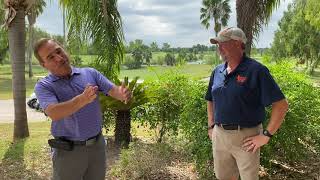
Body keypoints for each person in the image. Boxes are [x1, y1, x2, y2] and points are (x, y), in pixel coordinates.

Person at [34, 38, 131, 180]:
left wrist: (122, 94)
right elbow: (54, 112)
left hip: (97, 147)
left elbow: (113, 90)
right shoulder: (44, 86)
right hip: (68, 151)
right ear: (44, 64)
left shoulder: (90, 73)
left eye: (59, 51)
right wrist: (82, 100)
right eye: (51, 57)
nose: (59, 58)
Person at [205, 27, 288, 180]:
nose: (219, 48)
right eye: (217, 44)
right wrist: (211, 126)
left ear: (238, 43)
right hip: (220, 136)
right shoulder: (217, 71)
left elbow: (281, 105)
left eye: (223, 43)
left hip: (247, 138)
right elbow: (211, 99)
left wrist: (266, 135)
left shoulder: (257, 71)